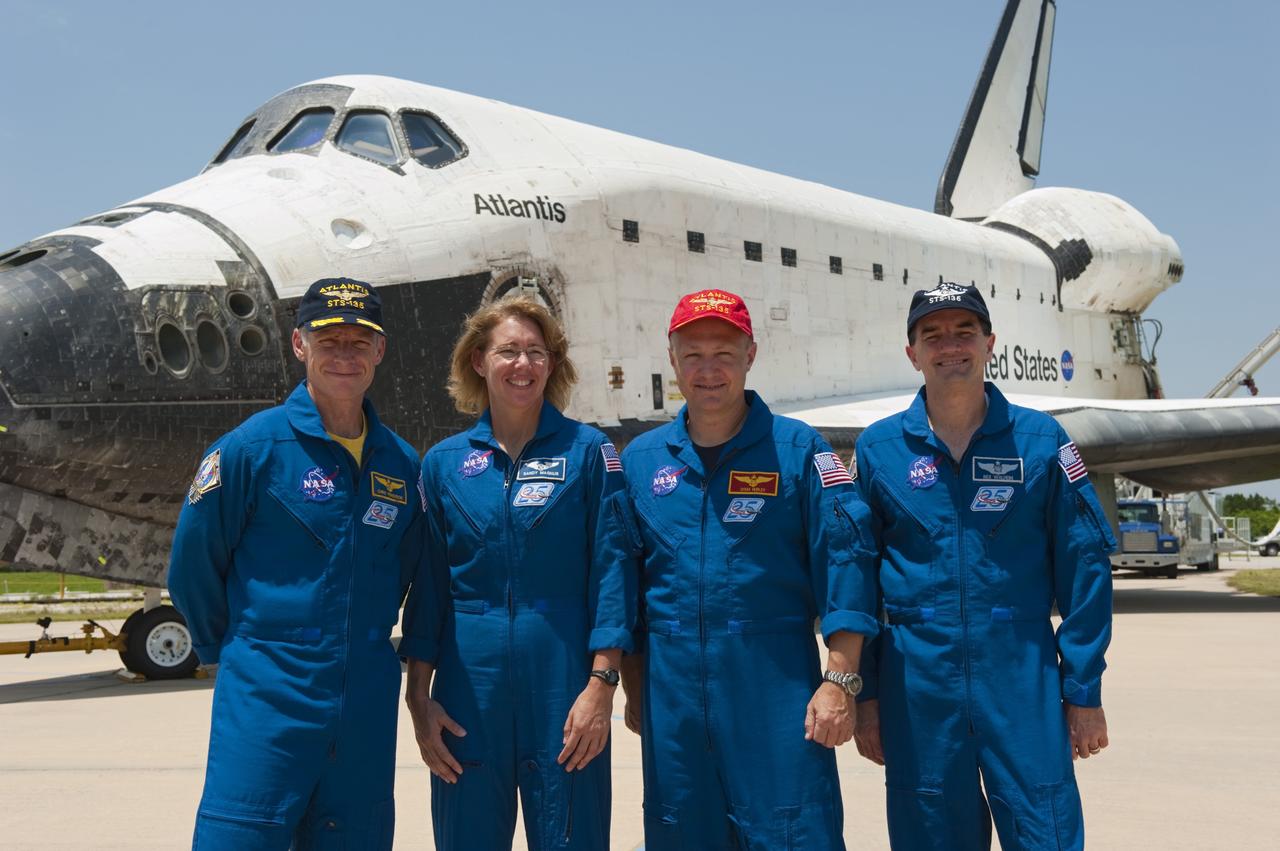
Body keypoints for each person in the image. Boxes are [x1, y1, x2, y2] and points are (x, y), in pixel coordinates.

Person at [850, 282, 1116, 850]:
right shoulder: (878, 449)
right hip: (915, 682)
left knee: (1044, 828)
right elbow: (856, 578)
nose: (950, 346)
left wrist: (1084, 689)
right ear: (911, 352)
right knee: (928, 834)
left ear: (990, 342)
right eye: (933, 335)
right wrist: (867, 694)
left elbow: (1085, 568)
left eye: (964, 332)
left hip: (1022, 677)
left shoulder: (1041, 441)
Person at [618, 288, 878, 850]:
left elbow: (846, 562)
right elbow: (626, 586)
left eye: (724, 354)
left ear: (750, 356)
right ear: (671, 359)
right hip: (675, 700)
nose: (708, 370)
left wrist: (839, 680)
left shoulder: (799, 450)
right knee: (679, 832)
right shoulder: (641, 461)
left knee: (792, 831)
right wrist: (636, 687)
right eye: (693, 355)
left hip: (776, 689)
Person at [168, 278, 423, 849]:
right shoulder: (251, 450)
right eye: (329, 338)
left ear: (380, 351)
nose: (345, 353)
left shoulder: (401, 465)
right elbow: (192, 567)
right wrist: (235, 655)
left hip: (364, 703)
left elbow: (406, 567)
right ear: (299, 345)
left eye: (361, 340)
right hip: (267, 694)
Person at [399, 293, 635, 850]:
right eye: (508, 351)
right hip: (466, 691)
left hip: (563, 685)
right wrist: (418, 698)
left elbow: (613, 572)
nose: (522, 365)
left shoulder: (589, 453)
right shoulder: (444, 464)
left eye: (536, 351)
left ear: (552, 364)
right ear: (479, 361)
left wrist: (601, 685)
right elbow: (429, 589)